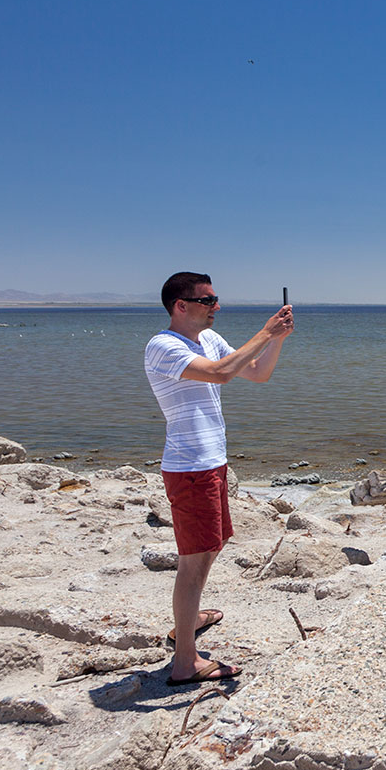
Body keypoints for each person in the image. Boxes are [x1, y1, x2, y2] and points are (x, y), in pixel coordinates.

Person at [144, 272, 293, 685]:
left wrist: (277, 338)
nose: (217, 307)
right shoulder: (164, 346)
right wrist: (265, 331)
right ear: (181, 306)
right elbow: (221, 373)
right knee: (193, 561)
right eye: (208, 300)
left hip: (211, 462)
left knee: (211, 547)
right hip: (189, 467)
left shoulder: (209, 339)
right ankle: (184, 662)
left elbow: (257, 373)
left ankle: (187, 622)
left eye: (215, 299)